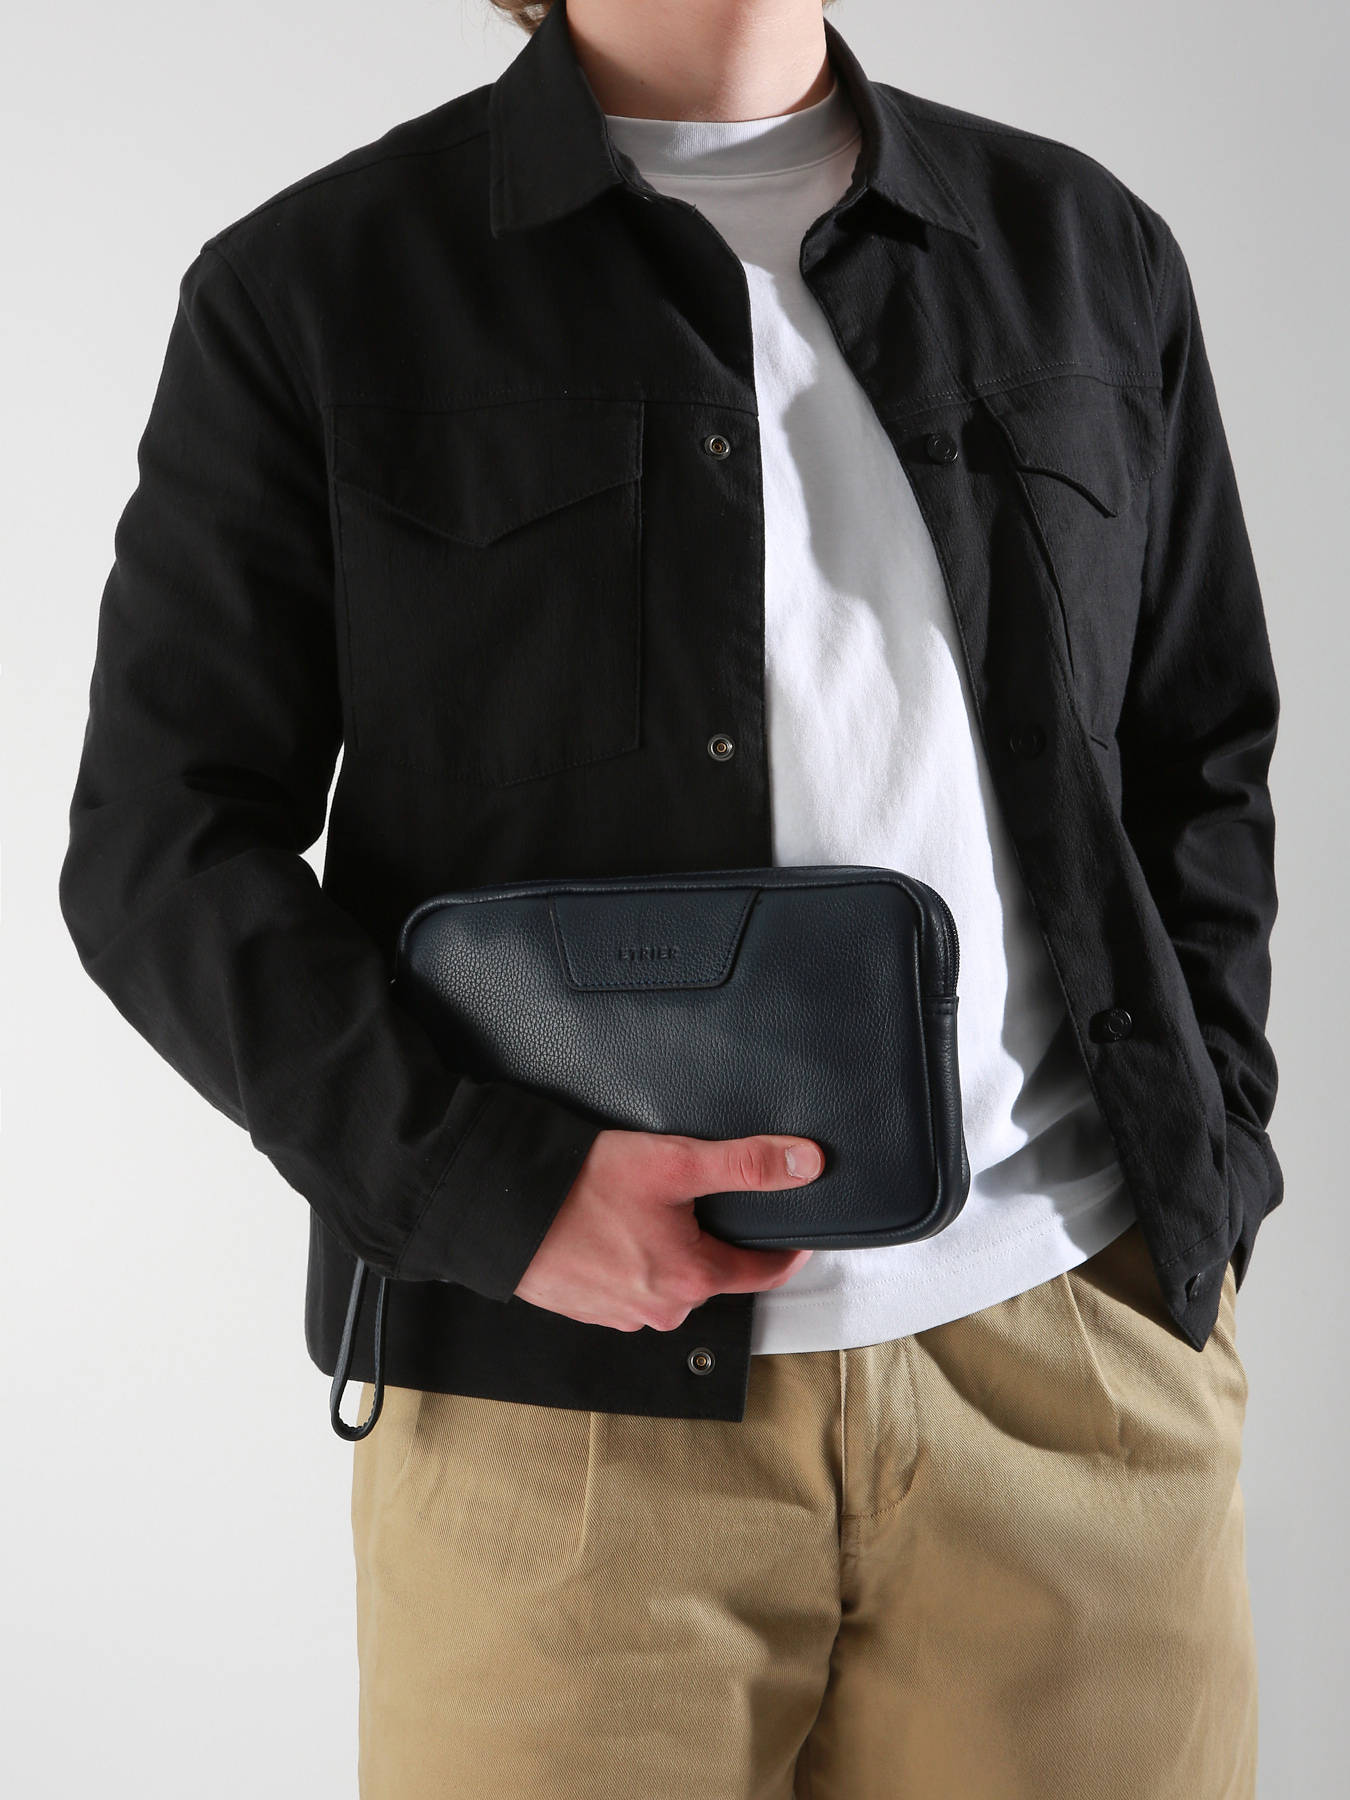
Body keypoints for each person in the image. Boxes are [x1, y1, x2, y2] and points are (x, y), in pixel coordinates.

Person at [59, 0, 1283, 1793]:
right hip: (553, 1428)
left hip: (1077, 1391)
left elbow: (1196, 755)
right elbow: (158, 842)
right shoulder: (317, 286)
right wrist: (493, 1191)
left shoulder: (1082, 248)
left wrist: (1204, 1166)